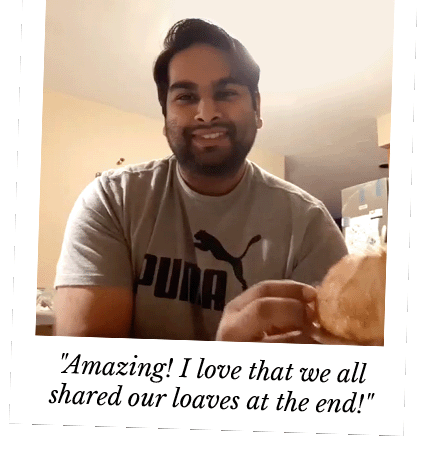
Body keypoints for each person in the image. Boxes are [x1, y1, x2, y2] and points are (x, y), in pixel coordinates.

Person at [53, 18, 348, 342]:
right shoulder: (112, 201)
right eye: (185, 97)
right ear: (165, 118)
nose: (207, 113)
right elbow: (84, 371)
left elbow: (336, 368)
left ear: (257, 108)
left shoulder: (309, 224)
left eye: (227, 92)